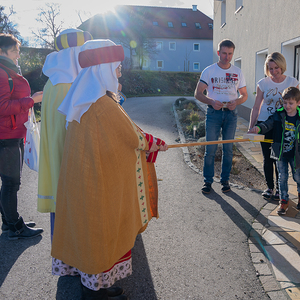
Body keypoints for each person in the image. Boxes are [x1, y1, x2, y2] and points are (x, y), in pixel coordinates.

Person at [50, 39, 168, 300]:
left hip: (85, 177)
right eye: (116, 67)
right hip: (97, 180)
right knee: (99, 229)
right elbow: (131, 138)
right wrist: (155, 143)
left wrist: (148, 141)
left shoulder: (83, 98)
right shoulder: (102, 104)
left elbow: (122, 134)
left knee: (88, 229)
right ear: (103, 68)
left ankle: (94, 283)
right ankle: (95, 291)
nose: (119, 72)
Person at [37, 28, 93, 241]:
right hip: (72, 153)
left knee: (59, 200)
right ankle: (76, 254)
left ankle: (62, 254)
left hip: (56, 150)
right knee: (74, 200)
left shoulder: (52, 81)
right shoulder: (73, 82)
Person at [0, 33, 44, 239]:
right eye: (14, 50)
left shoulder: (8, 71)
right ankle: (15, 226)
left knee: (9, 182)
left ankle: (8, 223)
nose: (18, 53)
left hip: (12, 133)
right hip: (6, 136)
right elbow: (2, 107)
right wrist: (31, 100)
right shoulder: (2, 73)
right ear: (2, 50)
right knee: (11, 183)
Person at [194, 39, 248, 194]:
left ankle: (225, 181)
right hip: (214, 113)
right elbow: (197, 93)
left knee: (228, 149)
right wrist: (211, 101)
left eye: (230, 53)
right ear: (218, 53)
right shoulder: (209, 70)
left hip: (231, 114)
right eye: (224, 53)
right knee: (210, 148)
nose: (227, 57)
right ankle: (208, 181)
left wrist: (236, 102)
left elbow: (244, 95)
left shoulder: (238, 72)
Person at [248, 52, 299, 201]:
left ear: (282, 66)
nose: (274, 71)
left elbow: (298, 104)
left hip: (280, 126)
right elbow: (257, 106)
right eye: (270, 68)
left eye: (276, 68)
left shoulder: (292, 82)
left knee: (278, 157)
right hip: (265, 124)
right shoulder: (263, 83)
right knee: (267, 159)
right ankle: (270, 187)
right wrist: (252, 127)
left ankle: (279, 189)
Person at [248, 87, 300, 215]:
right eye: (285, 102)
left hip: (296, 155)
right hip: (280, 153)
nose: (287, 106)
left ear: (298, 103)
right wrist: (258, 129)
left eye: (291, 103)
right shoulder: (278, 114)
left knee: (298, 177)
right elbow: (267, 124)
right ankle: (283, 201)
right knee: (282, 178)